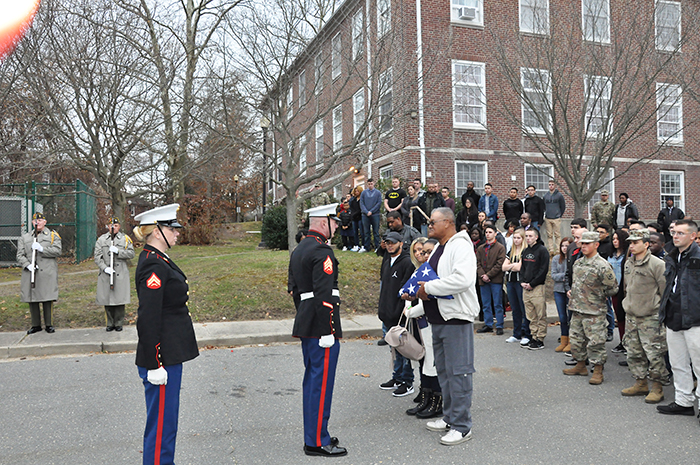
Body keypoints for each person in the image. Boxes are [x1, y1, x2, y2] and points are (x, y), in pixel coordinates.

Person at [133, 204, 199, 465]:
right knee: (161, 425)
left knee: (166, 422)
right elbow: (148, 318)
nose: (177, 233)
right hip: (163, 357)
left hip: (170, 353)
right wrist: (155, 363)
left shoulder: (158, 259)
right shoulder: (153, 265)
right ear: (158, 231)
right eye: (172, 229)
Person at [288, 203, 347, 457]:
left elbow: (294, 291)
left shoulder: (300, 248)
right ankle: (316, 440)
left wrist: (306, 317)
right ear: (324, 222)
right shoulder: (321, 251)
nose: (337, 227)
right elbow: (324, 295)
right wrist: (327, 330)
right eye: (335, 222)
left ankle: (315, 433)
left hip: (307, 323)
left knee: (313, 382)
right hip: (321, 328)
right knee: (321, 385)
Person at [418, 207, 479, 446]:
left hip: (456, 320)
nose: (429, 225)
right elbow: (431, 278)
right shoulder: (440, 249)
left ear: (448, 222)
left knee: (459, 373)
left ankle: (462, 426)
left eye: (432, 221)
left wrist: (429, 289)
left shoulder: (461, 245)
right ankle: (450, 417)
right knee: (444, 373)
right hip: (439, 319)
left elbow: (463, 280)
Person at [656, 219, 700, 419]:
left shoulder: (698, 257)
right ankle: (684, 401)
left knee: (698, 364)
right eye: (674, 233)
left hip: (695, 319)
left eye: (681, 233)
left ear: (693, 236)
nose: (675, 236)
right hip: (673, 316)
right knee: (678, 362)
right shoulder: (673, 256)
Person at [620, 229, 669, 403]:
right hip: (632, 315)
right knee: (634, 352)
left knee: (654, 354)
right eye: (630, 243)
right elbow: (627, 287)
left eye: (635, 242)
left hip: (650, 317)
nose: (631, 246)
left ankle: (657, 387)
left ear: (646, 244)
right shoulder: (629, 263)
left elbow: (664, 292)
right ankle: (640, 383)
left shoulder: (657, 264)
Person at [563, 232, 618, 385]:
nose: (584, 246)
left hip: (594, 311)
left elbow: (612, 288)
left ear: (596, 245)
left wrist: (597, 295)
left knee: (595, 342)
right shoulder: (578, 263)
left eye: (588, 243)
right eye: (583, 243)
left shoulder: (602, 265)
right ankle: (580, 366)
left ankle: (598, 369)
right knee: (576, 340)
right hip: (577, 309)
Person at [403, 238, 443, 418]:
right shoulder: (421, 270)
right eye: (420, 251)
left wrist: (411, 311)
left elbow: (435, 297)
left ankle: (437, 403)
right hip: (422, 323)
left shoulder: (436, 270)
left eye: (427, 252)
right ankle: (426, 399)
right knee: (426, 362)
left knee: (433, 363)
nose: (423, 255)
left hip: (433, 321)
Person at [378, 232, 417, 397]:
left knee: (403, 349)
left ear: (401, 243)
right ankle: (397, 377)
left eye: (393, 243)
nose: (390, 245)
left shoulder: (407, 263)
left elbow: (405, 291)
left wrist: (402, 312)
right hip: (387, 314)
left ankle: (407, 382)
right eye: (387, 243)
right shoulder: (387, 261)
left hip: (399, 314)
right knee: (393, 349)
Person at [17, 212, 62, 334]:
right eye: (35, 221)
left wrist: (42, 249)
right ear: (32, 223)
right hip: (31, 273)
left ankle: (49, 324)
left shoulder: (52, 235)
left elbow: (58, 251)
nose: (38, 223)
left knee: (47, 299)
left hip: (47, 272)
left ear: (45, 222)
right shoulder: (25, 237)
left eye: (40, 220)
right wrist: (28, 265)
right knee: (33, 299)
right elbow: (20, 255)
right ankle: (35, 325)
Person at [94, 216, 135, 331]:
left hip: (120, 272)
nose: (113, 228)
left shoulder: (125, 239)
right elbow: (97, 257)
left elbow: (131, 254)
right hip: (107, 272)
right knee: (107, 298)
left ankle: (119, 323)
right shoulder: (101, 240)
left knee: (119, 299)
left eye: (116, 226)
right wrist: (104, 268)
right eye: (111, 226)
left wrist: (119, 252)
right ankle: (110, 323)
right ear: (108, 226)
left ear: (119, 227)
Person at [520, 228, 550, 350]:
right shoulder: (526, 251)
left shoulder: (542, 251)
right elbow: (522, 268)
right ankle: (533, 336)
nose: (528, 238)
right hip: (525, 288)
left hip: (537, 287)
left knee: (540, 314)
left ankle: (540, 338)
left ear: (536, 237)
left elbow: (543, 270)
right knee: (530, 315)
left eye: (530, 236)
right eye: (526, 236)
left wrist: (532, 283)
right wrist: (522, 281)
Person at [475, 224, 506, 335]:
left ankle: (499, 325)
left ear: (495, 233)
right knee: (486, 303)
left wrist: (489, 275)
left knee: (497, 303)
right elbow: (477, 263)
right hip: (483, 280)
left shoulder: (500, 248)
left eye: (490, 232)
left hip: (495, 279)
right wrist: (483, 275)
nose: (487, 234)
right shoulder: (480, 248)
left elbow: (499, 263)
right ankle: (488, 324)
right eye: (486, 232)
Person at [502, 228, 530, 344]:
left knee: (523, 308)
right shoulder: (511, 252)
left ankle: (527, 334)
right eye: (514, 238)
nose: (516, 240)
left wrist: (511, 266)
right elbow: (503, 267)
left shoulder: (525, 252)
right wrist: (513, 265)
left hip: (520, 282)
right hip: (510, 282)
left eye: (519, 238)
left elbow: (520, 267)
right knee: (515, 309)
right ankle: (516, 334)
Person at [608, 229, 629, 353]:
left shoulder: (627, 255)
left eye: (617, 239)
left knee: (627, 318)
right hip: (614, 290)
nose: (615, 241)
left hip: (624, 290)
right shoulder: (611, 255)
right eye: (613, 239)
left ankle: (629, 343)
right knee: (619, 318)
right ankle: (622, 341)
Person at [552, 237, 572, 352]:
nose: (565, 248)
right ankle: (563, 339)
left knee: (570, 316)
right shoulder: (556, 259)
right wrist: (565, 276)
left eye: (567, 246)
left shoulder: (572, 259)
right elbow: (554, 275)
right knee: (562, 316)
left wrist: (564, 276)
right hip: (558, 290)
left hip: (569, 291)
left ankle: (570, 340)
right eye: (563, 246)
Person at [359, 178, 382, 253]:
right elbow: (361, 203)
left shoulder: (378, 193)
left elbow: (379, 203)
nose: (370, 185)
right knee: (366, 232)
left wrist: (371, 211)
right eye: (369, 184)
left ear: (374, 183)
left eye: (371, 184)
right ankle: (366, 247)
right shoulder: (364, 193)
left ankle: (377, 247)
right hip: (365, 215)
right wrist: (366, 211)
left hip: (375, 214)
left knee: (376, 232)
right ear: (367, 184)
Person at [543, 180, 566, 254]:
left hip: (556, 218)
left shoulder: (559, 195)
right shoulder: (546, 195)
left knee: (557, 235)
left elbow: (563, 206)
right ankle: (551, 249)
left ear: (555, 185)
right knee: (549, 235)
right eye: (549, 184)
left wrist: (559, 214)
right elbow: (544, 206)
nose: (551, 186)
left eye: (552, 184)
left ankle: (558, 250)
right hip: (548, 217)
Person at [349, 186, 363, 251]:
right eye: (355, 191)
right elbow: (351, 208)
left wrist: (355, 213)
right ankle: (356, 245)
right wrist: (352, 215)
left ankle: (363, 245)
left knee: (362, 232)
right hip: (354, 218)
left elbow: (361, 208)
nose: (356, 192)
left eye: (358, 191)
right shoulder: (353, 200)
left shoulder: (362, 199)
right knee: (355, 232)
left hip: (360, 217)